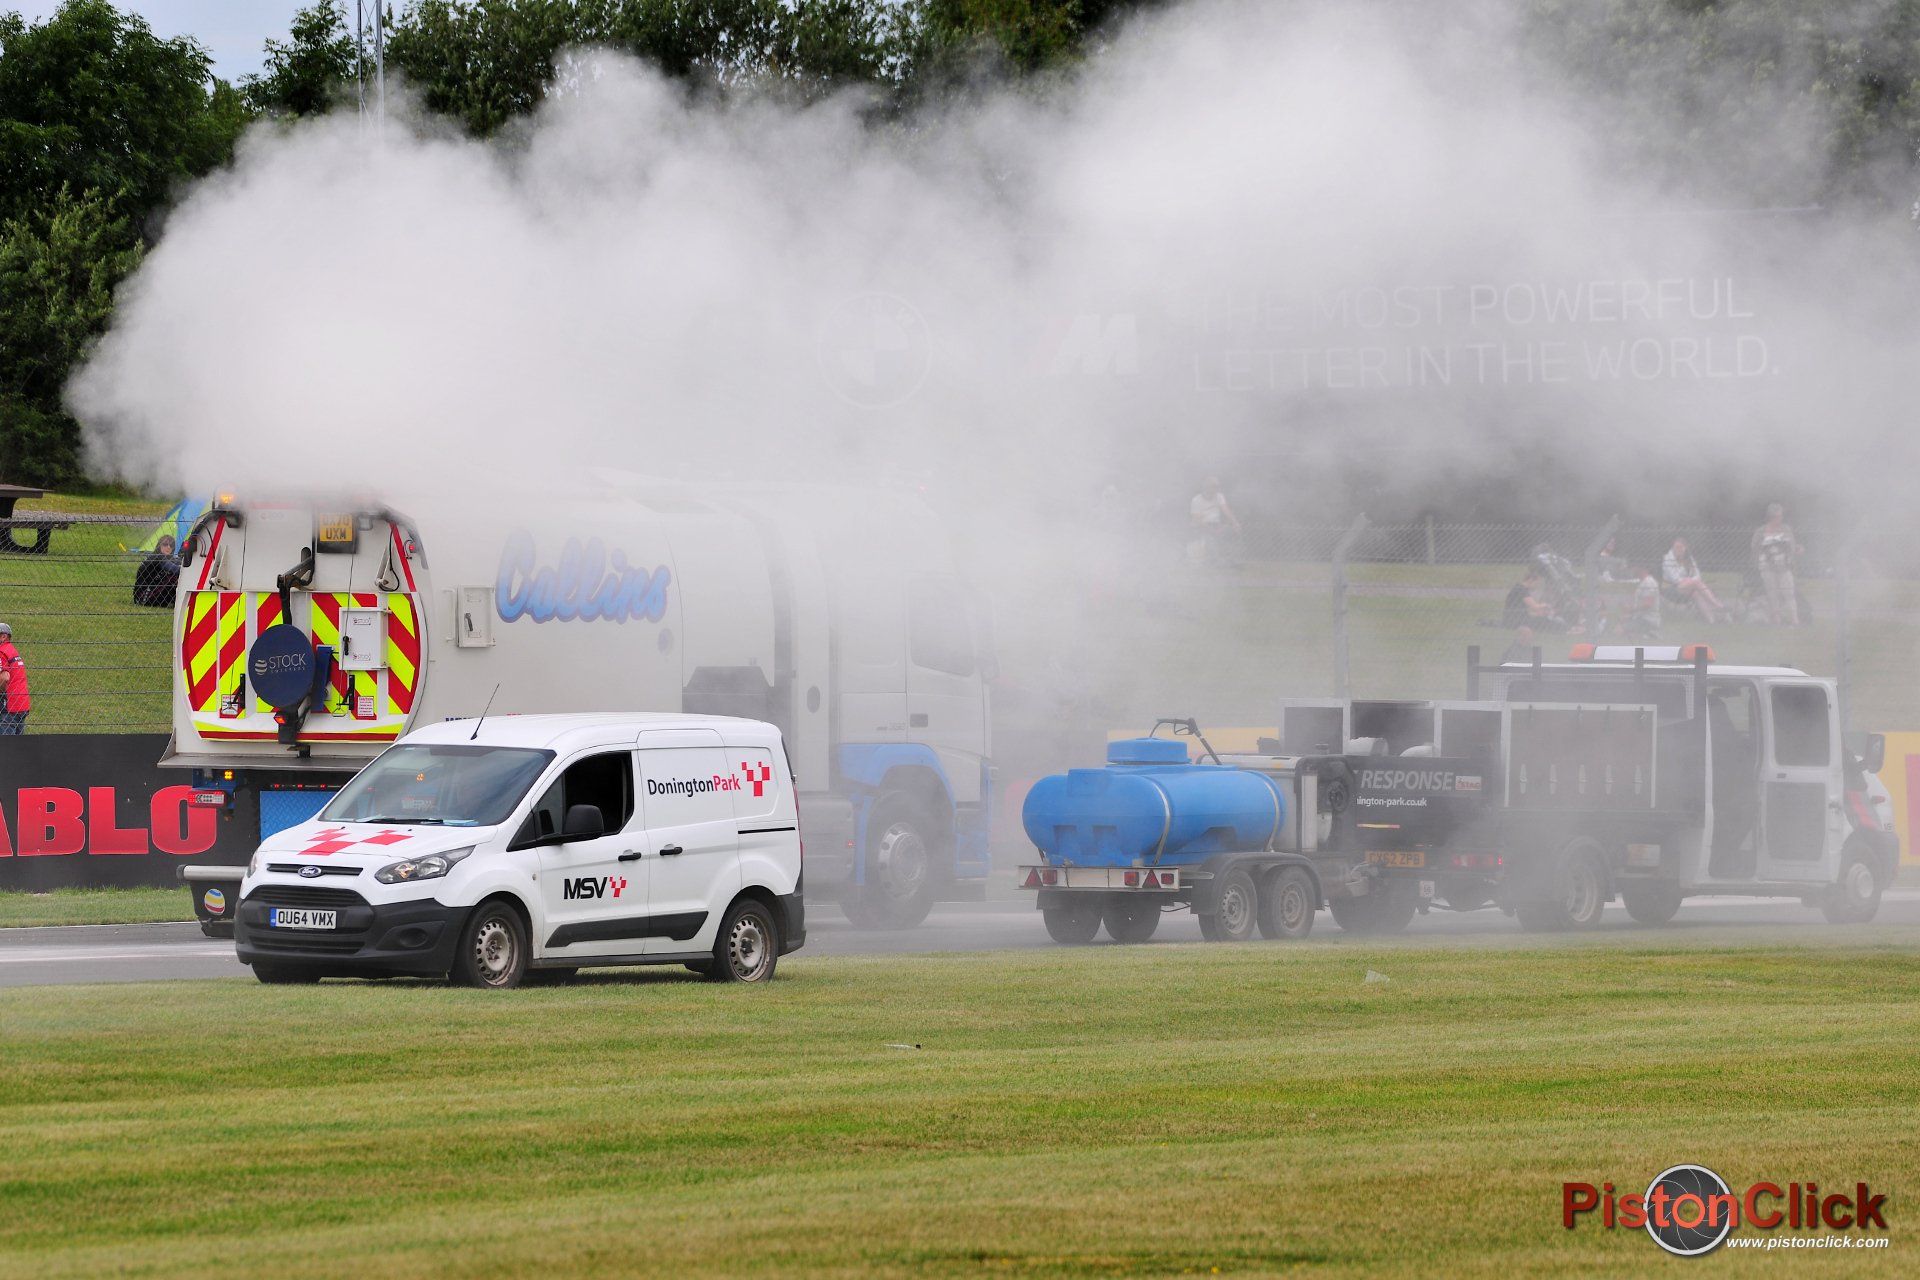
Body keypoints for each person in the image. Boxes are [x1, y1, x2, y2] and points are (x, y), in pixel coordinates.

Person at [1750, 503, 1803, 626]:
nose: (1781, 518)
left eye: (1781, 515)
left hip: (1784, 567)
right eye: (1778, 516)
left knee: (1788, 592)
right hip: (1767, 567)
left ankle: (1795, 620)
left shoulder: (1786, 529)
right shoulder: (1761, 531)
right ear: (1771, 517)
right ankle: (1776, 620)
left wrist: (1798, 549)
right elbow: (1754, 548)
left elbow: (1792, 546)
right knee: (1772, 593)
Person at [1660, 536, 1728, 624]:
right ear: (1672, 548)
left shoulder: (1689, 559)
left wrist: (1689, 581)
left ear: (1685, 548)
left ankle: (1711, 621)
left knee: (1696, 593)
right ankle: (1716, 604)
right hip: (1670, 588)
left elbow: (1698, 575)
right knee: (1696, 583)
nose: (1679, 549)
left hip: (1685, 587)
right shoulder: (1667, 559)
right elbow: (1674, 579)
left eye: (1681, 547)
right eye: (1676, 547)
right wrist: (1690, 580)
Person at [1188, 477, 1241, 565]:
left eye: (1217, 487)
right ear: (1206, 487)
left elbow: (1226, 510)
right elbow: (1196, 519)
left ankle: (1232, 559)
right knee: (1210, 537)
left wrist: (1235, 523)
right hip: (1200, 526)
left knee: (1233, 531)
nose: (1216, 489)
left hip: (1216, 525)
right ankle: (1213, 559)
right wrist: (1212, 530)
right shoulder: (1196, 500)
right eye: (1214, 486)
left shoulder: (1219, 496)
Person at [1504, 568, 1571, 631]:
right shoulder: (1522, 590)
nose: (1537, 586)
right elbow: (1535, 607)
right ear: (1530, 580)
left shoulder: (1519, 588)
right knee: (1545, 621)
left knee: (1540, 618)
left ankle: (1565, 627)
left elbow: (1529, 610)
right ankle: (1565, 629)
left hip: (1514, 619)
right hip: (1516, 621)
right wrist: (1546, 605)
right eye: (1536, 583)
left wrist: (1537, 613)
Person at [133, 533, 181, 608]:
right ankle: (181, 602)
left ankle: (178, 602)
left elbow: (176, 563)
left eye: (171, 545)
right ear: (159, 546)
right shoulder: (157, 557)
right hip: (143, 596)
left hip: (154, 592)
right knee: (173, 577)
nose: (168, 547)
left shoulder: (168, 558)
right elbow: (174, 568)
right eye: (165, 544)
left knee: (173, 577)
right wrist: (187, 568)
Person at [0, 622, 29, 735]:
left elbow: (5, 678)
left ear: (3, 636)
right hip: (22, 703)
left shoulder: (1, 652)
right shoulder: (12, 650)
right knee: (18, 746)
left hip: (9, 705)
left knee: (6, 746)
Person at [1624, 565, 1662, 640]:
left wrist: (1630, 609)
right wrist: (1629, 614)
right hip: (1640, 617)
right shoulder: (1643, 582)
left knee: (1619, 632)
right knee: (1619, 627)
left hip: (1648, 620)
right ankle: (1646, 634)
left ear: (1641, 568)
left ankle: (1651, 634)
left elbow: (1648, 604)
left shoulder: (1649, 582)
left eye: (1634, 566)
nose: (1632, 569)